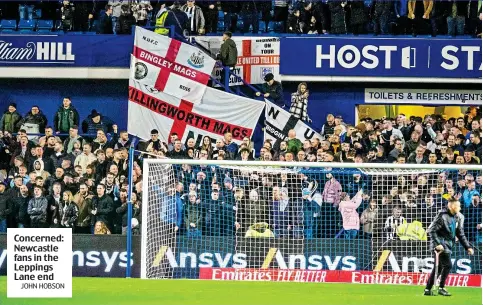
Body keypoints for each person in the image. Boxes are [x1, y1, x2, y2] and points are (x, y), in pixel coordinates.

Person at [424, 197, 474, 296]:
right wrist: (438, 244)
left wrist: (467, 247)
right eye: (458, 206)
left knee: (438, 268)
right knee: (448, 265)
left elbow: (460, 234)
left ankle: (427, 290)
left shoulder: (458, 217)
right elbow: (432, 231)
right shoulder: (442, 216)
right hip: (440, 244)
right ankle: (441, 288)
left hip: (448, 244)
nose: (459, 207)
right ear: (451, 206)